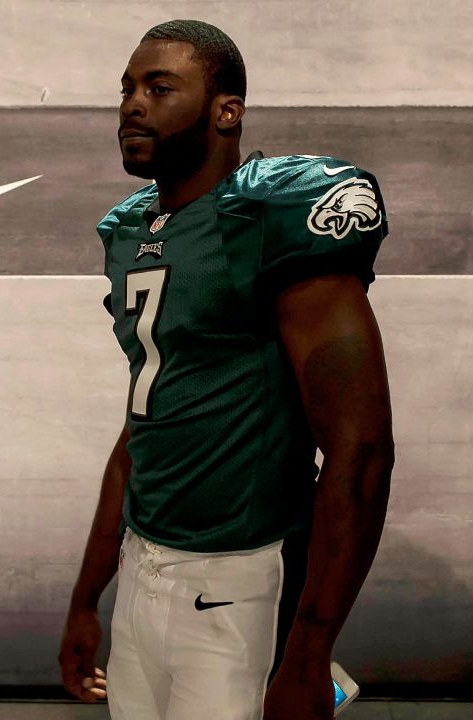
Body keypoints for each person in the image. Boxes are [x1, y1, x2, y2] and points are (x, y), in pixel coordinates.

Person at [58, 19, 395, 720]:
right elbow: (142, 429)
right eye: (124, 88)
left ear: (226, 109)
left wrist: (309, 648)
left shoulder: (272, 213)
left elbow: (360, 451)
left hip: (238, 577)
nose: (130, 104)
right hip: (144, 571)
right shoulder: (130, 232)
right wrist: (87, 596)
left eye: (158, 86)